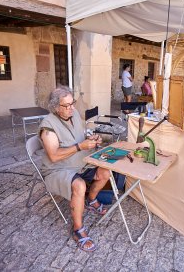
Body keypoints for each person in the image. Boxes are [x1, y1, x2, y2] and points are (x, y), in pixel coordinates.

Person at [38, 88, 110, 252]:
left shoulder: (74, 114)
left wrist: (91, 139)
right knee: (79, 185)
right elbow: (54, 156)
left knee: (105, 171)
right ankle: (78, 230)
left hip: (79, 161)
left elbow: (79, 137)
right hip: (57, 169)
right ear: (55, 107)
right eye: (66, 105)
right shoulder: (48, 126)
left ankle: (91, 200)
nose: (71, 108)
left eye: (72, 103)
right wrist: (80, 146)